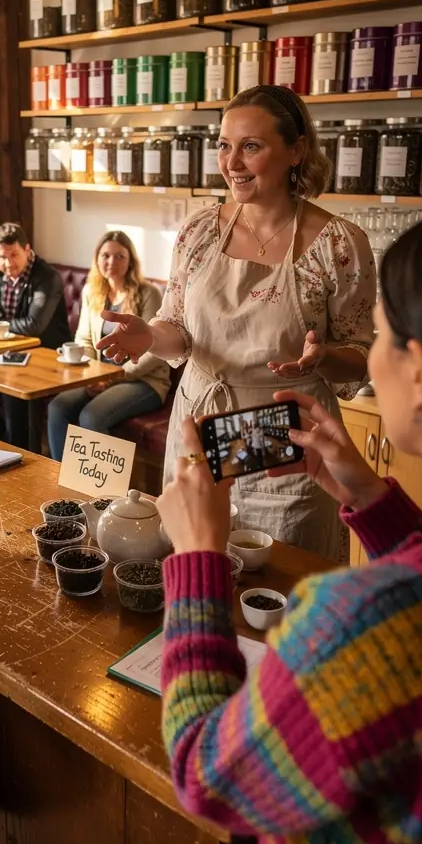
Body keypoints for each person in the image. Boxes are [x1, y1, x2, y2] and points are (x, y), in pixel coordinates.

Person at [156, 205, 422, 844]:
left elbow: (207, 773)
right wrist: (367, 500)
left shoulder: (361, 620)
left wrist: (200, 555)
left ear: (419, 375)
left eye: (386, 335)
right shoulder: (421, 606)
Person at [99, 85, 376, 559]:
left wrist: (325, 357)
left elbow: (361, 360)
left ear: (296, 150)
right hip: (200, 430)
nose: (231, 162)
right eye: (225, 145)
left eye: (251, 146)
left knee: (280, 584)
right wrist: (148, 335)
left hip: (285, 442)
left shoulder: (339, 245)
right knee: (194, 567)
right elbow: (178, 333)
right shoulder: (199, 231)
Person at [47, 230, 170, 460]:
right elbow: (83, 339)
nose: (111, 261)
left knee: (92, 416)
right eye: (105, 255)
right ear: (97, 259)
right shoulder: (91, 291)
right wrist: (95, 376)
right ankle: (59, 478)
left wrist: (113, 377)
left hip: (143, 380)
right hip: (100, 375)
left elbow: (154, 350)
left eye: (119, 256)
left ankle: (98, 491)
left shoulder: (148, 293)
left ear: (130, 261)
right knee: (58, 406)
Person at [0, 222, 70, 448]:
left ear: (27, 250)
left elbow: (34, 325)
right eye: (2, 257)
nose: (8, 263)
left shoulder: (47, 277)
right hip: (7, 356)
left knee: (13, 393)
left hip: (45, 355)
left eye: (14, 255)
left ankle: (21, 452)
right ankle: (3, 447)